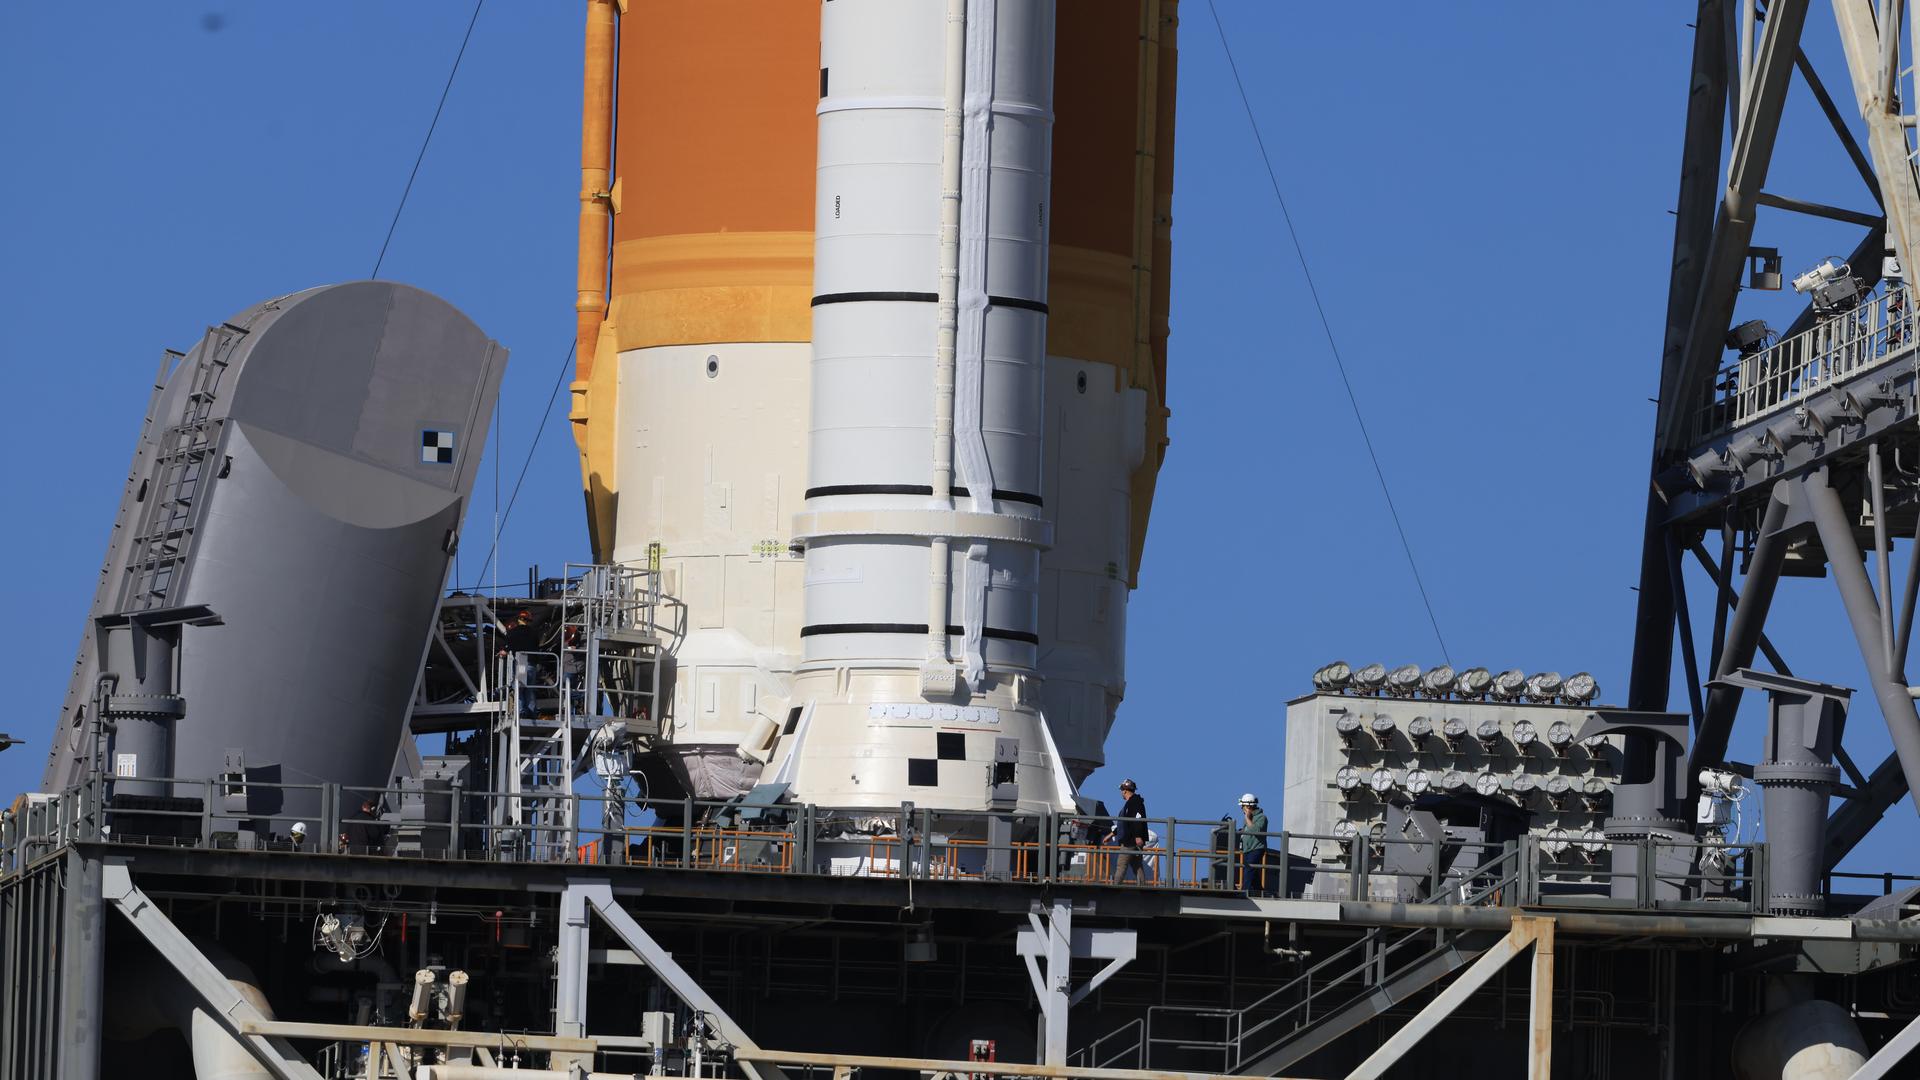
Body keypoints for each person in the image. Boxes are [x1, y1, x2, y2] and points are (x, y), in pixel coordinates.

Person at [1109, 779, 1148, 883]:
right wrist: (1112, 834)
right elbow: (1125, 824)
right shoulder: (1132, 803)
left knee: (1121, 864)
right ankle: (1142, 887)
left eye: (1122, 790)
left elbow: (1137, 819)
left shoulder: (1134, 802)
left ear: (1125, 791)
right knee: (1136, 865)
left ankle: (1115, 886)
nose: (1121, 793)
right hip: (1133, 839)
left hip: (1130, 840)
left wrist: (1138, 836)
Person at [1238, 793, 1271, 896]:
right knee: (1253, 872)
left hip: (1256, 849)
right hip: (1248, 849)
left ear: (1248, 806)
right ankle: (1261, 892)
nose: (1242, 809)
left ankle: (1244, 892)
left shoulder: (1261, 817)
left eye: (1243, 806)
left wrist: (1247, 818)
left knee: (1249, 869)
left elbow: (1256, 830)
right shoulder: (1248, 818)